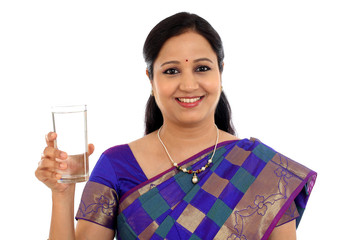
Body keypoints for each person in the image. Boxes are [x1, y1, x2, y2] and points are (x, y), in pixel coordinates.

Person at [35, 12, 317, 240]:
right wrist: (62, 194)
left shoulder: (263, 172)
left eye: (202, 68)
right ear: (150, 78)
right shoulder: (116, 166)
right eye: (171, 71)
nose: (188, 84)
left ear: (221, 72)